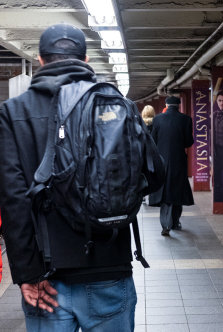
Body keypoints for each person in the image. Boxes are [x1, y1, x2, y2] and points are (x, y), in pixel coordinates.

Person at [0, 23, 163, 331]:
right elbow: (155, 175)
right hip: (109, 267)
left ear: (40, 60)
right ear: (86, 61)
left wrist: (27, 274)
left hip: (47, 279)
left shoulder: (13, 112)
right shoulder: (115, 104)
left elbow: (13, 200)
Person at [149, 96, 194, 236]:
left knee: (165, 193)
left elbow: (153, 141)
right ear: (179, 106)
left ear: (166, 105)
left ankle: (165, 224)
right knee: (177, 191)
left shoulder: (157, 119)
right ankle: (175, 222)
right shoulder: (186, 120)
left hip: (162, 161)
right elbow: (188, 142)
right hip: (179, 161)